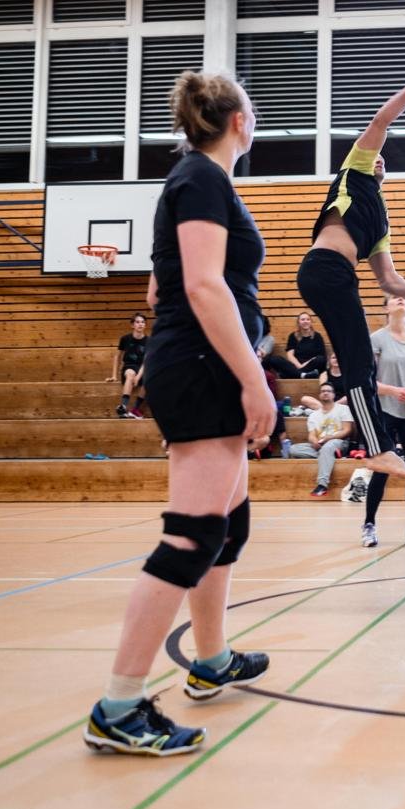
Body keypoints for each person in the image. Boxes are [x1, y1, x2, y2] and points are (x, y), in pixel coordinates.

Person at [84, 71, 275, 757]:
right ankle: (119, 704)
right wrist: (255, 380)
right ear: (238, 123)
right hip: (201, 371)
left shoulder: (198, 182)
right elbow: (198, 283)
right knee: (192, 535)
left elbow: (163, 280)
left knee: (228, 524)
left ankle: (212, 659)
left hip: (202, 363)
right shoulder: (201, 179)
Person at [295, 73, 405, 483]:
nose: (378, 159)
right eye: (374, 156)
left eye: (382, 161)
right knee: (359, 362)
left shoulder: (380, 223)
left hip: (336, 277)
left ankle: (377, 447)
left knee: (358, 363)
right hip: (324, 268)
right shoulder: (354, 171)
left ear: (386, 175)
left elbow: (389, 280)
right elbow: (381, 122)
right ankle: (377, 448)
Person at [360, 296, 405, 548]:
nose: (400, 299)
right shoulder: (376, 340)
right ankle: (369, 524)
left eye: (404, 298)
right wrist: (393, 391)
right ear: (386, 308)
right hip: (385, 413)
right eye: (394, 298)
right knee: (383, 470)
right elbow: (368, 382)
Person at [289, 381, 352, 497]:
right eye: (323, 391)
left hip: (338, 441)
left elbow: (347, 430)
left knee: (328, 447)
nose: (325, 393)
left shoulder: (343, 409)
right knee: (293, 449)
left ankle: (322, 485)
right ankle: (328, 456)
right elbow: (311, 434)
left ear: (333, 395)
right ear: (319, 395)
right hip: (320, 444)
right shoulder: (314, 415)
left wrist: (330, 437)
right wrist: (313, 441)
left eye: (328, 391)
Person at [267, 311, 327, 379]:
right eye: (303, 319)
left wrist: (304, 365)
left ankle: (291, 374)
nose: (305, 321)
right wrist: (299, 366)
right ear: (298, 322)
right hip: (295, 365)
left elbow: (321, 355)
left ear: (311, 322)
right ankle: (303, 375)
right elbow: (290, 355)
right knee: (274, 359)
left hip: (311, 366)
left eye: (308, 319)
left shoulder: (317, 336)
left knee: (321, 359)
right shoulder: (293, 336)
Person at [109, 312, 148, 418]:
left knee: (149, 380)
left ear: (145, 325)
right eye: (137, 322)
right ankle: (123, 406)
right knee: (130, 373)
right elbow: (117, 356)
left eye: (143, 322)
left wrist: (139, 376)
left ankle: (135, 409)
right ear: (132, 325)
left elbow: (146, 361)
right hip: (129, 367)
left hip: (141, 369)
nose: (140, 324)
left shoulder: (149, 341)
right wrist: (114, 375)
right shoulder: (125, 339)